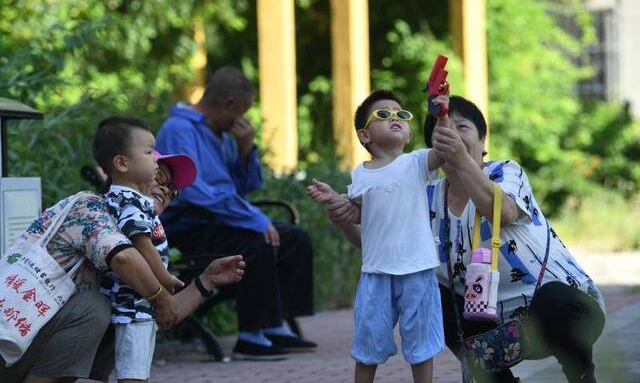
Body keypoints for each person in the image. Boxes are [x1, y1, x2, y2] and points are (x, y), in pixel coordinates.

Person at [324, 95, 606, 383]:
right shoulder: (426, 196)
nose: (452, 135)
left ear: (483, 141)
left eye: (462, 127)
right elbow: (386, 249)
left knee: (555, 299)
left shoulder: (505, 171)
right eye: (443, 130)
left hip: (564, 314)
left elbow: (504, 213)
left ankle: (581, 373)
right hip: (496, 332)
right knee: (432, 292)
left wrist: (460, 159)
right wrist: (345, 222)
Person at [0, 139, 245, 383]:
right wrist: (160, 295)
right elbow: (128, 263)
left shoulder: (149, 244)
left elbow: (165, 311)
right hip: (11, 342)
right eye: (159, 175)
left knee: (114, 313)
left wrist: (206, 280)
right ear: (125, 170)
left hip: (30, 343)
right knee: (93, 307)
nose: (164, 190)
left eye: (171, 189)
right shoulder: (92, 209)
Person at [156, 66, 316, 359]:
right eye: (240, 112)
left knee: (294, 239)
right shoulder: (179, 129)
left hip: (219, 223)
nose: (241, 121)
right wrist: (254, 219)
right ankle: (250, 335)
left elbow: (246, 186)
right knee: (256, 241)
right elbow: (192, 191)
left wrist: (245, 150)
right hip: (187, 226)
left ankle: (274, 324)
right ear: (229, 103)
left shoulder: (222, 135)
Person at [307, 90, 447, 383]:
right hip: (376, 273)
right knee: (368, 344)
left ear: (409, 133)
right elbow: (359, 221)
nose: (394, 118)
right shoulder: (360, 176)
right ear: (365, 135)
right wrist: (335, 200)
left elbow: (446, 148)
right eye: (383, 115)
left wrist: (441, 115)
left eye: (401, 115)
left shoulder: (417, 162)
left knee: (421, 346)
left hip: (417, 270)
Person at [92, 116, 197, 382]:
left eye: (171, 189)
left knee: (125, 366)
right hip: (134, 302)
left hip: (134, 300)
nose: (154, 159)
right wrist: (164, 278)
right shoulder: (129, 202)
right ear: (122, 163)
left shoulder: (128, 199)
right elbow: (140, 243)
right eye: (150, 152)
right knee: (134, 372)